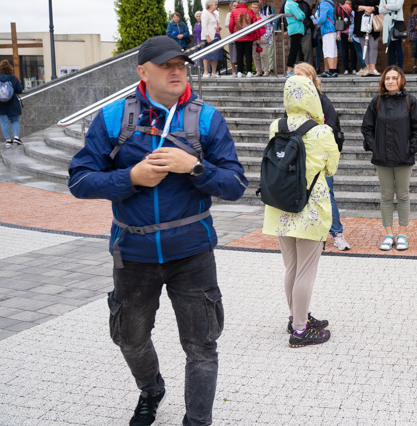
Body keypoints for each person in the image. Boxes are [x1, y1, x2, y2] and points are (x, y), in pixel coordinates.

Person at [67, 36, 247, 425]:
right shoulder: (115, 118)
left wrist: (194, 167)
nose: (177, 70)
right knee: (129, 338)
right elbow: (79, 180)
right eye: (166, 65)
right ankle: (151, 389)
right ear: (143, 72)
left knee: (201, 345)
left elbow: (235, 184)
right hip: (133, 252)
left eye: (181, 63)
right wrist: (129, 177)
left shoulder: (206, 118)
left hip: (193, 252)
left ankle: (197, 421)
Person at [262, 74, 339, 346]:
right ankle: (299, 330)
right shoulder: (321, 131)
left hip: (280, 205)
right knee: (306, 271)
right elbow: (331, 168)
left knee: (291, 268)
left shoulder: (276, 126)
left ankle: (297, 316)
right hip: (310, 208)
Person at [361, 66, 417, 251]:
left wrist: (410, 148)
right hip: (382, 158)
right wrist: (374, 146)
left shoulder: (410, 101)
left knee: (403, 195)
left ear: (401, 80)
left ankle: (403, 233)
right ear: (383, 81)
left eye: (394, 78)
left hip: (403, 157)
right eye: (387, 78)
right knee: (386, 196)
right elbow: (367, 128)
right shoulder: (377, 102)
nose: (390, 81)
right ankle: (389, 234)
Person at [292, 63, 351, 251]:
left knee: (327, 194)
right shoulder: (293, 102)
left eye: (298, 75)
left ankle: (337, 233)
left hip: (320, 158)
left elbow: (332, 130)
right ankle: (307, 233)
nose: (293, 78)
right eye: (293, 75)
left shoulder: (323, 101)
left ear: (309, 77)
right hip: (300, 157)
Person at [351, 0, 381, 77]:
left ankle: (373, 68)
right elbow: (353, 6)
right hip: (360, 23)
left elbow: (379, 6)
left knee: (373, 46)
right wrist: (365, 8)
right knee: (364, 47)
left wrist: (372, 9)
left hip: (373, 22)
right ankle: (367, 69)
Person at [228, 0, 260, 78]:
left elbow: (231, 25)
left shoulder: (233, 12)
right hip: (249, 36)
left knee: (239, 54)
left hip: (238, 36)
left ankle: (239, 71)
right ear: (246, 3)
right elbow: (255, 24)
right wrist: (257, 36)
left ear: (238, 3)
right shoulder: (250, 11)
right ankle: (249, 71)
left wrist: (234, 34)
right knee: (248, 54)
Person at [313, 0, 339, 78]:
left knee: (329, 50)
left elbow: (322, 18)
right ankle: (334, 70)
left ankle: (331, 71)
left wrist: (315, 21)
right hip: (332, 29)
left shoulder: (323, 3)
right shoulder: (330, 2)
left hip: (327, 29)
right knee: (333, 50)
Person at [379, 0, 406, 69]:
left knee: (398, 47)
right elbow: (380, 10)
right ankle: (393, 68)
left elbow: (398, 6)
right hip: (387, 24)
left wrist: (387, 6)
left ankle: (400, 68)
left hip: (397, 23)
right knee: (390, 48)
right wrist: (390, 7)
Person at [0, 60, 24, 148]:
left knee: (4, 122)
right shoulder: (13, 78)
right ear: (10, 69)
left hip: (1, 105)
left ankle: (8, 140)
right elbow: (19, 91)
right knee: (15, 120)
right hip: (13, 103)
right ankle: (16, 137)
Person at [283, 0, 306, 76]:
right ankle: (289, 70)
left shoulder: (292, 3)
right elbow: (300, 16)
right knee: (293, 50)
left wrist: (300, 16)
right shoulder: (291, 4)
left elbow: (303, 14)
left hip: (296, 28)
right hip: (295, 28)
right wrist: (300, 16)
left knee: (295, 49)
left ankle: (291, 69)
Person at [200, 0, 222, 78]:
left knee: (215, 54)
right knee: (207, 54)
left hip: (216, 36)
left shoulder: (215, 14)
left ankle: (214, 72)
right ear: (210, 5)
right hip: (208, 37)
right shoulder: (205, 13)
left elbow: (219, 24)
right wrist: (207, 37)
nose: (216, 6)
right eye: (215, 4)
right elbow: (204, 26)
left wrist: (219, 28)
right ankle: (205, 72)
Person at [258, 0, 276, 77]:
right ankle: (263, 69)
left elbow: (274, 20)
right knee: (262, 52)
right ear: (259, 1)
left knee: (270, 51)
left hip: (270, 32)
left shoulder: (270, 9)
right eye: (261, 0)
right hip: (260, 33)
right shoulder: (257, 10)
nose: (262, 1)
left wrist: (274, 30)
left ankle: (270, 68)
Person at [296, 0, 315, 64]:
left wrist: (311, 26)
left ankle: (308, 69)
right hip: (295, 30)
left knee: (307, 50)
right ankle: (295, 70)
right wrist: (285, 30)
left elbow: (310, 16)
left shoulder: (305, 4)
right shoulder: (289, 3)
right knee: (295, 50)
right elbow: (283, 15)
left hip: (306, 30)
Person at [337, 0, 357, 75]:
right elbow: (339, 24)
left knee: (353, 52)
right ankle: (346, 69)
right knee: (344, 52)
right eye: (346, 3)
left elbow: (353, 25)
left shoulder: (353, 13)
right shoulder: (341, 12)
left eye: (350, 3)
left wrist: (350, 35)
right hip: (343, 34)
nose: (348, 5)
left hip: (351, 34)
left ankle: (354, 68)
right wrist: (338, 34)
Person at [225, 1, 239, 76]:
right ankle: (233, 71)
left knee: (240, 55)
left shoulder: (240, 13)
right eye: (234, 5)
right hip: (231, 37)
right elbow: (226, 24)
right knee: (232, 55)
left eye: (236, 5)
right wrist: (235, 24)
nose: (235, 7)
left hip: (240, 37)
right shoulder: (229, 14)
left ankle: (240, 71)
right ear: (231, 7)